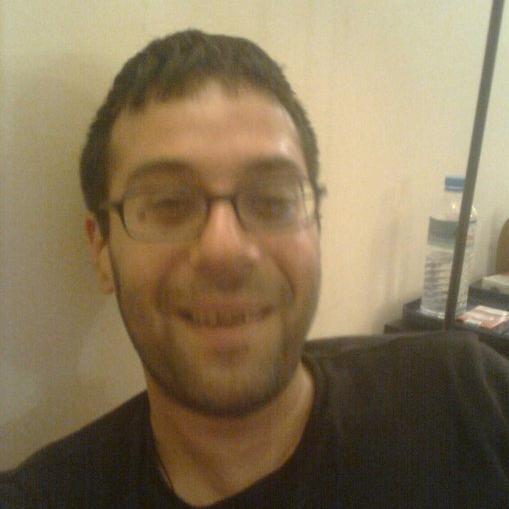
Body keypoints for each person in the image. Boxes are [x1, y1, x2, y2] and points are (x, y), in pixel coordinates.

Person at [1, 29, 508, 509]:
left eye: (272, 200)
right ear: (101, 250)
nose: (225, 250)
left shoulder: (465, 398)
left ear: (316, 225)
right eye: (168, 203)